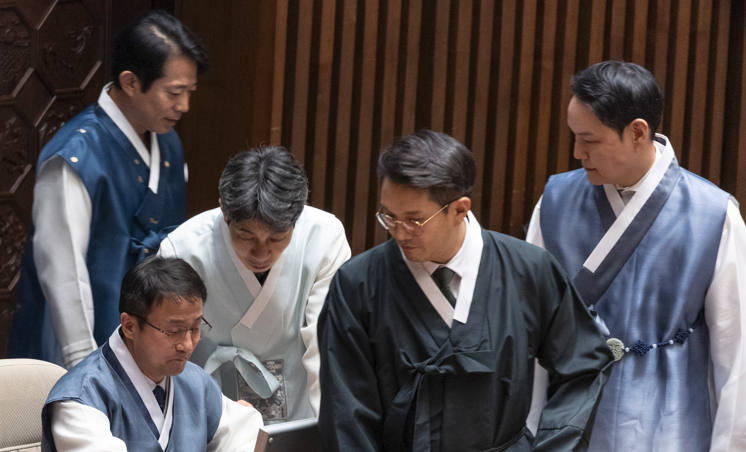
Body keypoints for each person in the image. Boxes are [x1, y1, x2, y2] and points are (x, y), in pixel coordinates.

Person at [317, 129, 613, 452]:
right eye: (389, 216)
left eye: (414, 220)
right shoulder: (357, 284)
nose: (400, 233)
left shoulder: (529, 270)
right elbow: (346, 416)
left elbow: (584, 365)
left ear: (459, 209)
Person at [526, 61, 746, 452]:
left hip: (673, 423)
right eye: (575, 137)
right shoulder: (555, 202)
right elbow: (531, 330)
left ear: (638, 132)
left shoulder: (713, 214)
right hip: (568, 420)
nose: (577, 152)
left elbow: (737, 351)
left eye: (589, 140)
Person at [9, 10, 208, 369]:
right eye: (174, 92)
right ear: (130, 82)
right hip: (85, 344)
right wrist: (85, 367)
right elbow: (64, 277)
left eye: (189, 92)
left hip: (153, 341)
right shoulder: (75, 155)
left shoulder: (169, 144)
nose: (184, 106)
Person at [159, 146, 351, 423]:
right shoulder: (183, 250)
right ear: (224, 211)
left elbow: (326, 345)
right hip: (210, 407)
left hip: (302, 401)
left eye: (277, 238)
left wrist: (332, 431)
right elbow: (165, 351)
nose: (261, 254)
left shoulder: (324, 238)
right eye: (246, 236)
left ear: (297, 218)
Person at [41, 255, 263, 451]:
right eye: (174, 331)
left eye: (195, 328)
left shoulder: (196, 382)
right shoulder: (82, 398)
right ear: (129, 326)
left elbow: (247, 436)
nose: (187, 345)